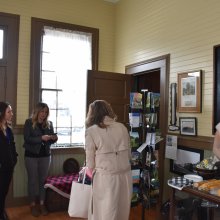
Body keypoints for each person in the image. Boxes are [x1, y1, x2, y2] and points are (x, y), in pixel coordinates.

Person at [85, 100, 132, 220]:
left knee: (104, 212)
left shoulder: (91, 131)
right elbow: (129, 154)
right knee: (122, 210)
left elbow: (90, 162)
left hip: (105, 177)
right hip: (125, 175)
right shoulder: (122, 127)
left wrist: (89, 172)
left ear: (93, 113)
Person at [23, 102, 58, 217]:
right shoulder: (29, 122)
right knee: (32, 181)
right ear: (37, 111)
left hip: (45, 156)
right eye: (42, 111)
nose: (44, 114)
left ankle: (42, 204)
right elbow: (27, 139)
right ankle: (32, 205)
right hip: (31, 156)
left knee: (43, 181)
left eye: (46, 112)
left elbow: (52, 139)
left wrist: (54, 138)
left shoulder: (49, 124)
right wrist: (41, 138)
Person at [0, 102, 18, 220]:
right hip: (1, 167)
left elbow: (12, 146)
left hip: (9, 167)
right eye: (9, 111)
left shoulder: (9, 129)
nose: (12, 113)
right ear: (1, 113)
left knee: (4, 192)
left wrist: (14, 158)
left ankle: (1, 211)